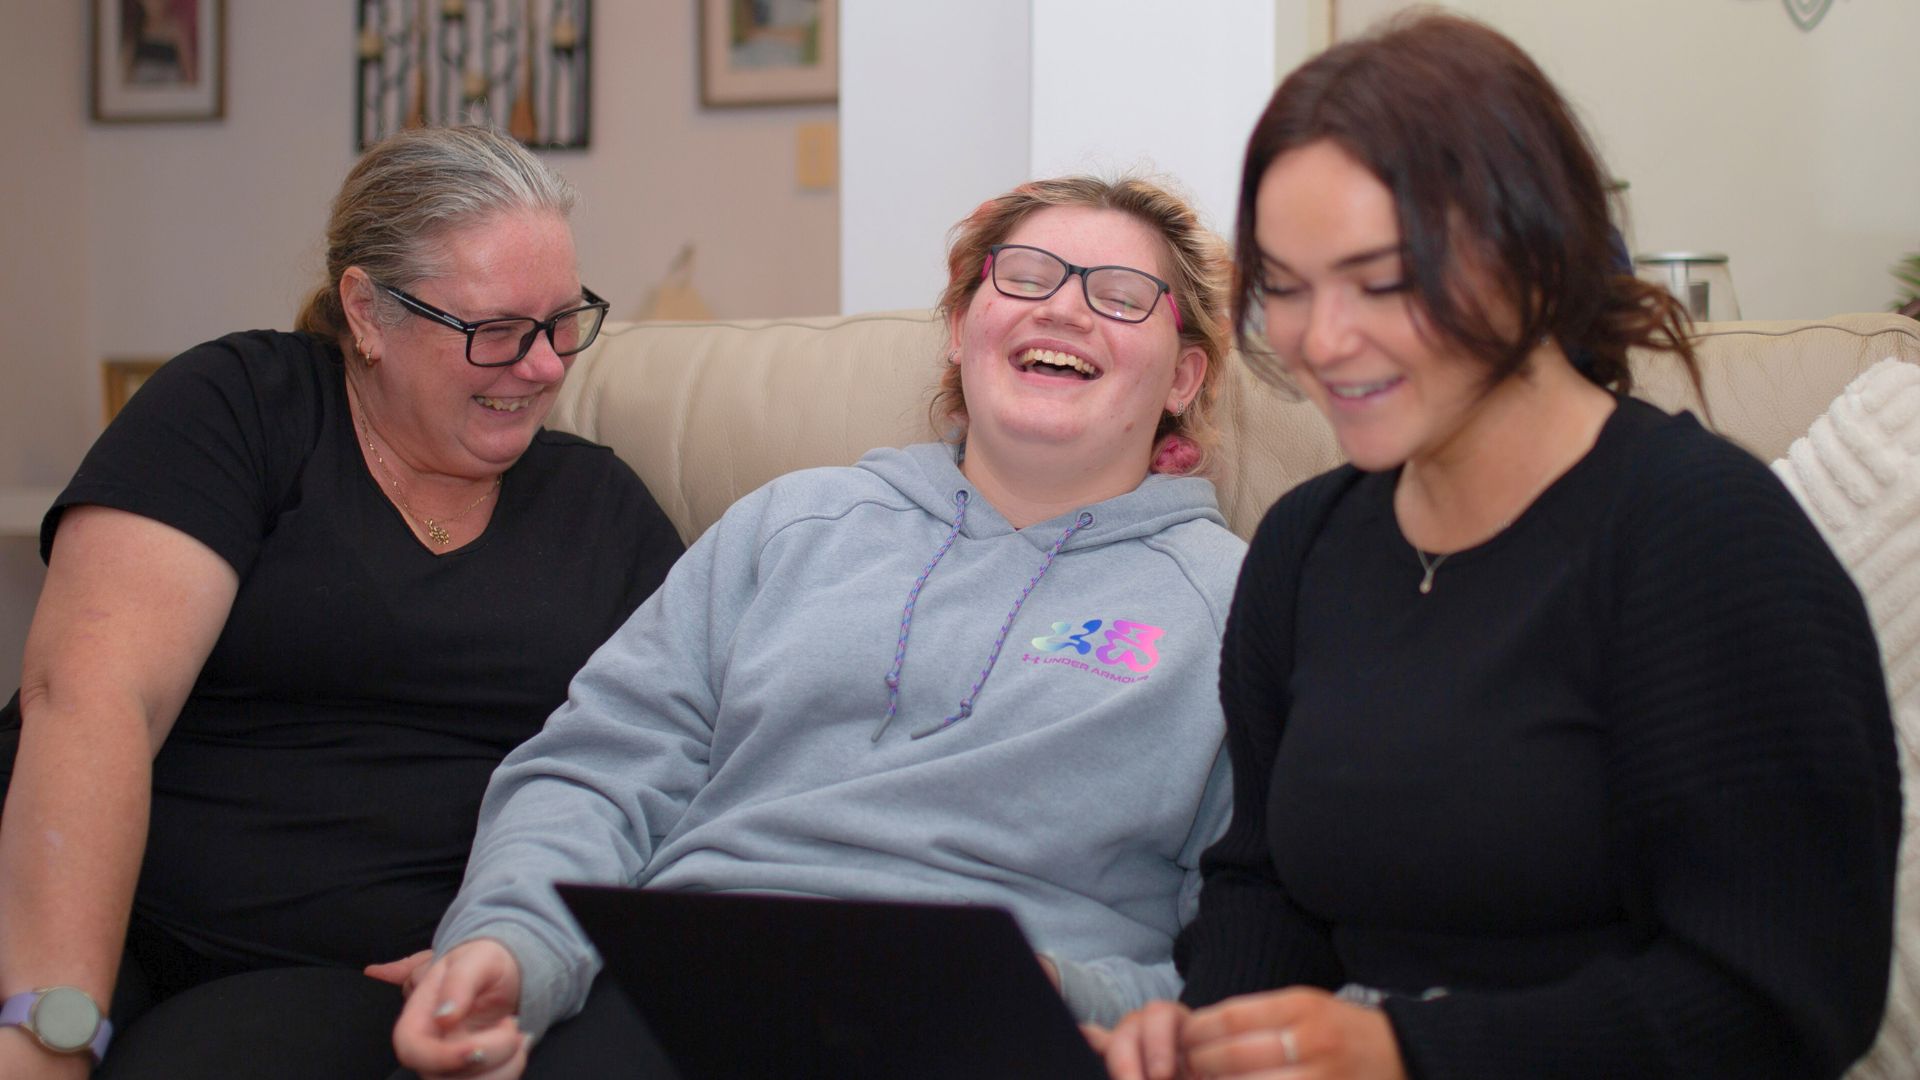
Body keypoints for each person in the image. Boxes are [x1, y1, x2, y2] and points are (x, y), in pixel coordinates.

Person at [1095, 14, 1899, 1080]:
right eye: (1284, 285)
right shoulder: (1303, 546)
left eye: (1384, 279)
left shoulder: (1707, 540)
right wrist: (1212, 1036)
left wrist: (1407, 1054)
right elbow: (1265, 887)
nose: (1321, 339)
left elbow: (1784, 1000)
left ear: (1532, 258)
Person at [385, 175, 1245, 1079]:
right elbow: (600, 767)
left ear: (1183, 376)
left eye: (1120, 296)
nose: (1063, 309)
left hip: (995, 1022)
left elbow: (1251, 931)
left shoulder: (1236, 606)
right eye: (1025, 277)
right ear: (960, 328)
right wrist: (513, 946)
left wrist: (1082, 996)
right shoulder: (794, 523)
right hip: (691, 978)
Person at [0, 125, 683, 1079]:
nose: (545, 366)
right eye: (495, 331)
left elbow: (672, 769)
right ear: (367, 312)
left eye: (564, 322)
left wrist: (513, 949)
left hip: (368, 977)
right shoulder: (241, 407)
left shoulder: (602, 512)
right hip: (87, 913)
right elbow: (93, 697)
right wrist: (49, 1020)